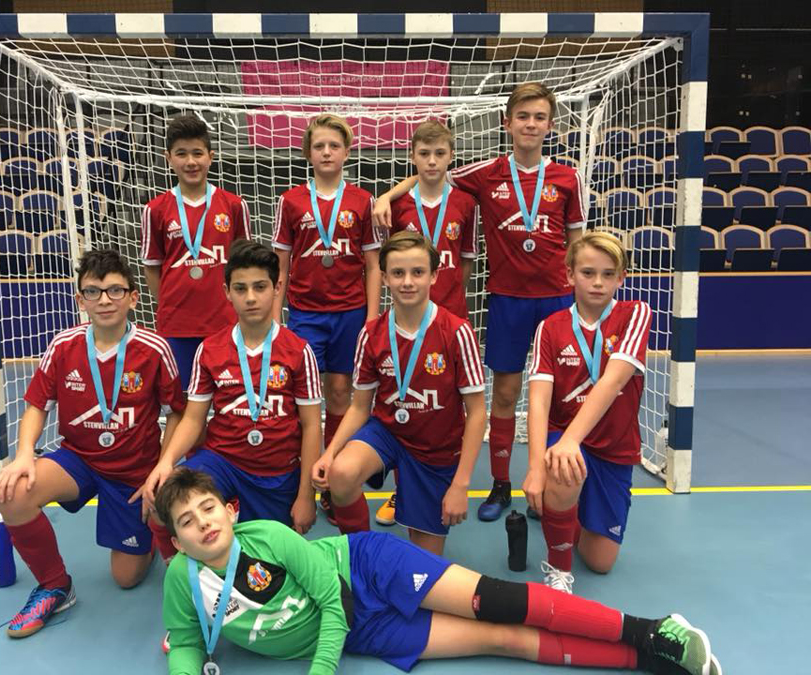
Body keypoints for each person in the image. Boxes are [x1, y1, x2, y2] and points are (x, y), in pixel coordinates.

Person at [157, 467, 722, 675]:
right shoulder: (183, 580)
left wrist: (321, 671)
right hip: (363, 632)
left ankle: (652, 630)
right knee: (501, 640)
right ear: (176, 541)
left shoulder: (271, 537)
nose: (203, 523)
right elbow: (184, 642)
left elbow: (330, 600)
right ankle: (644, 660)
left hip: (365, 572)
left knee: (495, 600)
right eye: (187, 521)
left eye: (208, 508)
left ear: (231, 511)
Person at [373, 83, 587, 522]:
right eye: (522, 116)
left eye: (539, 117)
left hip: (558, 301)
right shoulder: (485, 173)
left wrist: (580, 297)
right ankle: (502, 485)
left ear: (551, 125)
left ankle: (556, 484)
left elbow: (578, 243)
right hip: (507, 300)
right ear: (506, 123)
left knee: (563, 396)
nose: (530, 124)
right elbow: (433, 174)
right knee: (504, 395)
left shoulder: (568, 178)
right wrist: (388, 196)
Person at [0, 249, 186, 638]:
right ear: (81, 300)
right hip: (78, 460)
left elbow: (177, 414)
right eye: (94, 292)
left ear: (133, 297)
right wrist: (25, 454)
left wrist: (162, 466)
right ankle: (55, 586)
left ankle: (147, 537)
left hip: (133, 472)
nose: (105, 300)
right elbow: (36, 406)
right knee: (13, 492)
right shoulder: (63, 345)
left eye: (115, 290)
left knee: (126, 579)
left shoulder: (154, 349)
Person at [140, 240, 322, 563]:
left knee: (268, 566)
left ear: (277, 287)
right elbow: (193, 418)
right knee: (163, 493)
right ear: (227, 292)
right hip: (223, 464)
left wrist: (307, 496)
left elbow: (311, 426)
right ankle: (175, 565)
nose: (250, 297)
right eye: (240, 288)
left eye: (259, 287)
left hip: (277, 474)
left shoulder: (298, 351)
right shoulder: (210, 349)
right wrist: (165, 462)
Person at [313, 231, 487, 557]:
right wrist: (330, 452)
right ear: (384, 278)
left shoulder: (457, 331)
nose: (407, 282)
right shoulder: (371, 334)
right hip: (388, 433)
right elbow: (359, 407)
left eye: (417, 272)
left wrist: (461, 484)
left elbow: (477, 413)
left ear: (434, 276)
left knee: (424, 564)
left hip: (435, 447)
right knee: (341, 473)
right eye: (397, 273)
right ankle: (363, 555)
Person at [524, 232, 652, 593]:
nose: (598, 282)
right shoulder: (550, 327)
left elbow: (612, 382)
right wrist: (536, 468)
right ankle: (559, 570)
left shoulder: (635, 314)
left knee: (600, 562)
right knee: (564, 466)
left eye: (608, 274)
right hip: (564, 438)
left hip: (613, 446)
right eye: (588, 273)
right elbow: (539, 401)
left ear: (621, 278)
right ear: (569, 275)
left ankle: (563, 509)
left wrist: (570, 440)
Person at [271, 114, 382, 521]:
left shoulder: (363, 200)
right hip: (305, 314)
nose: (327, 152)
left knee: (339, 393)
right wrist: (276, 318)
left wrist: (372, 317)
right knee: (301, 399)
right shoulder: (291, 201)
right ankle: (298, 480)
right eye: (319, 146)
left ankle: (333, 479)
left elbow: (374, 265)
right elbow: (280, 266)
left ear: (347, 152)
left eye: (334, 145)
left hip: (351, 313)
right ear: (308, 153)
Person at [375, 120, 480, 526]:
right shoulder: (397, 206)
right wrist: (387, 194)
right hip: (406, 322)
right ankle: (402, 491)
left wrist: (447, 298)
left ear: (451, 156)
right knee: (408, 402)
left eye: (439, 154)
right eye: (424, 154)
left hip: (449, 319)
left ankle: (449, 481)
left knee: (446, 409)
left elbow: (465, 263)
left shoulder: (465, 203)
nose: (432, 161)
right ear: (412, 156)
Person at [141, 113, 251, 385]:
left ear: (210, 157)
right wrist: (169, 305)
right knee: (182, 398)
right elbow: (152, 267)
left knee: (229, 396)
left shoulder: (234, 205)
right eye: (181, 154)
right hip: (177, 326)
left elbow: (245, 265)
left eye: (197, 153)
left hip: (225, 322)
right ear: (168, 158)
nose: (190, 161)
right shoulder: (155, 210)